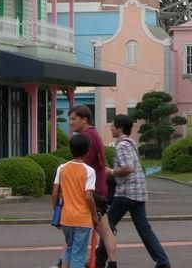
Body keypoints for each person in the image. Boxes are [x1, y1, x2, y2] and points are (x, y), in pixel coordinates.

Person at [95, 114, 171, 268]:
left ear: (120, 128)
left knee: (106, 228)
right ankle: (162, 262)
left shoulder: (122, 145)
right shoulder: (131, 143)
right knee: (144, 230)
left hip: (125, 193)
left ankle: (99, 261)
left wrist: (110, 172)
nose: (110, 128)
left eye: (113, 125)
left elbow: (128, 168)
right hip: (138, 192)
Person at [58, 105, 116, 268]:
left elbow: (84, 168)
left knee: (94, 231)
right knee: (104, 230)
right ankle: (111, 262)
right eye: (69, 119)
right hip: (98, 189)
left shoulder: (86, 137)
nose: (70, 123)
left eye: (74, 119)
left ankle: (69, 262)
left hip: (92, 192)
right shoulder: (94, 134)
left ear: (84, 119)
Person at [53, 134, 98, 268]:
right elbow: (89, 196)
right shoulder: (89, 171)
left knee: (70, 248)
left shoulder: (62, 168)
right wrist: (94, 214)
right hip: (82, 219)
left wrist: (56, 212)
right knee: (78, 254)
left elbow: (55, 193)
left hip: (66, 217)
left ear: (70, 149)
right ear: (87, 151)